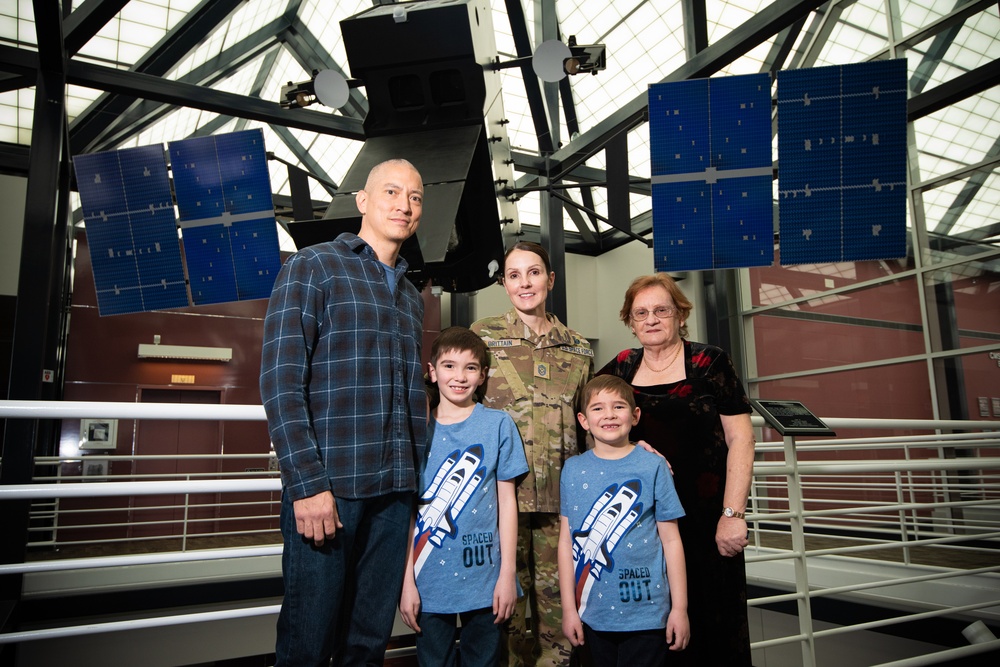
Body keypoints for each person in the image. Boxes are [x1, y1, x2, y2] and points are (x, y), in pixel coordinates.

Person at [260, 158, 427, 666]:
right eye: (392, 192)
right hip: (330, 492)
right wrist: (307, 485)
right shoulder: (313, 266)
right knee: (308, 642)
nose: (403, 205)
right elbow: (280, 381)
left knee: (367, 644)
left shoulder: (412, 296)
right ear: (362, 200)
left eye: (415, 197)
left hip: (395, 494)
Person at [597, 273, 755, 666]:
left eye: (661, 310)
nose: (651, 319)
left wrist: (733, 515)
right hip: (643, 526)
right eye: (641, 313)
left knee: (714, 627)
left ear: (680, 315)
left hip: (707, 521)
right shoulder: (621, 366)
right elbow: (587, 417)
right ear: (630, 322)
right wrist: (632, 444)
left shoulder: (710, 361)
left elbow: (742, 441)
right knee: (654, 635)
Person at [470, 241, 594, 666]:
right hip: (498, 499)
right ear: (504, 283)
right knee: (502, 611)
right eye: (515, 275)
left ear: (550, 279)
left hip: (562, 502)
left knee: (560, 610)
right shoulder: (482, 337)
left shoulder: (578, 349)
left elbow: (590, 423)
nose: (525, 283)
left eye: (534, 272)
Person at [399, 326, 529, 667]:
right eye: (449, 366)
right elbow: (406, 511)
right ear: (432, 371)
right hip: (427, 579)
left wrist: (506, 576)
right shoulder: (416, 428)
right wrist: (406, 583)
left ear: (483, 375)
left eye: (470, 367)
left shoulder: (499, 425)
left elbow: (507, 505)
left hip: (486, 577)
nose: (459, 376)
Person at [559, 375, 689, 666]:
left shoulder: (653, 465)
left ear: (635, 415)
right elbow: (566, 542)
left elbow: (671, 540)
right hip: (592, 614)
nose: (609, 415)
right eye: (598, 408)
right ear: (583, 420)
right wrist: (568, 609)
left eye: (618, 407)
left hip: (647, 614)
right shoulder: (572, 469)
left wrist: (679, 608)